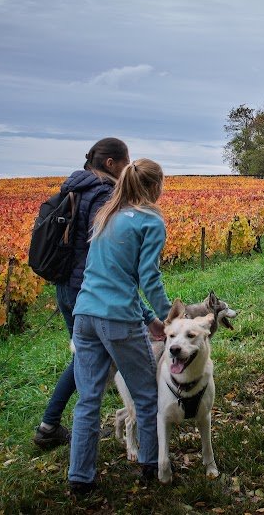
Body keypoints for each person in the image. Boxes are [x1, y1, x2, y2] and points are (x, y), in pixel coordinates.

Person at [68, 158, 171, 498]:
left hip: (85, 316)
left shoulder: (106, 216)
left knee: (88, 400)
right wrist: (169, 316)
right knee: (146, 396)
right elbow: (148, 278)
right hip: (119, 321)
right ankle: (151, 465)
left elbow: (110, 277)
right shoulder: (150, 221)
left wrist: (149, 319)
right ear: (155, 187)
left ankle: (80, 478)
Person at [33, 137, 130, 448]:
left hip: (65, 285)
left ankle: (50, 425)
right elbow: (104, 244)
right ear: (111, 164)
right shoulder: (104, 193)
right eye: (126, 162)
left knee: (84, 357)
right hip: (89, 289)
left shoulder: (73, 188)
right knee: (91, 360)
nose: (128, 168)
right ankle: (60, 429)